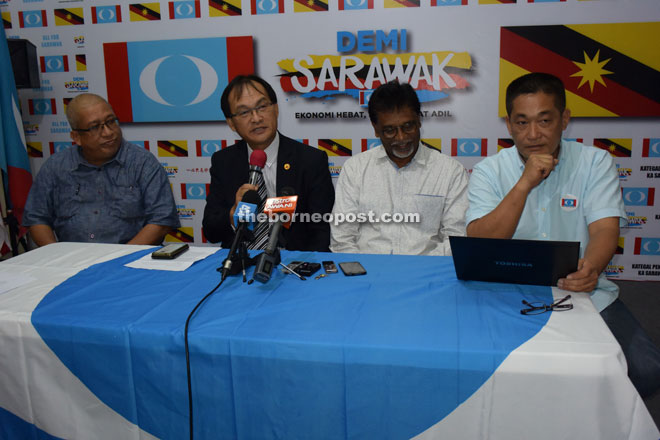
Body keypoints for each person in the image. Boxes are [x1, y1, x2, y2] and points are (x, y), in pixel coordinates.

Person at [466, 72, 660, 398]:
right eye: (522, 122)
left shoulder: (594, 162)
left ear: (564, 119)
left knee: (646, 371)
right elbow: (481, 241)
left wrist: (592, 268)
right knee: (481, 372)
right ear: (509, 126)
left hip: (585, 293)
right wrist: (524, 183)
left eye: (544, 120)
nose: (533, 134)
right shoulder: (490, 170)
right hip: (509, 292)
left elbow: (604, 230)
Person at [330, 80, 469, 255]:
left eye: (408, 126)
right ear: (376, 129)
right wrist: (363, 272)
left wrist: (418, 271)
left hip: (427, 274)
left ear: (419, 121)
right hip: (368, 273)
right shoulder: (355, 169)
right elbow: (342, 239)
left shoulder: (449, 171)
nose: (401, 138)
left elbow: (456, 237)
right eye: (389, 130)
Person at [23, 93, 180, 246]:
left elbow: (161, 220)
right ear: (76, 137)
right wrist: (56, 257)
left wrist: (120, 259)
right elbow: (37, 218)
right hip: (73, 261)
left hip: (130, 260)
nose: (108, 132)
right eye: (95, 127)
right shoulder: (55, 166)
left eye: (111, 121)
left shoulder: (143, 163)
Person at [202, 74, 334, 252]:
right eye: (244, 112)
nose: (256, 118)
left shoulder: (310, 160)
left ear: (276, 109)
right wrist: (233, 213)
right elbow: (211, 231)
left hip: (292, 263)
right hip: (241, 261)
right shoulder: (223, 161)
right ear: (231, 123)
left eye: (262, 107)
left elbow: (322, 230)